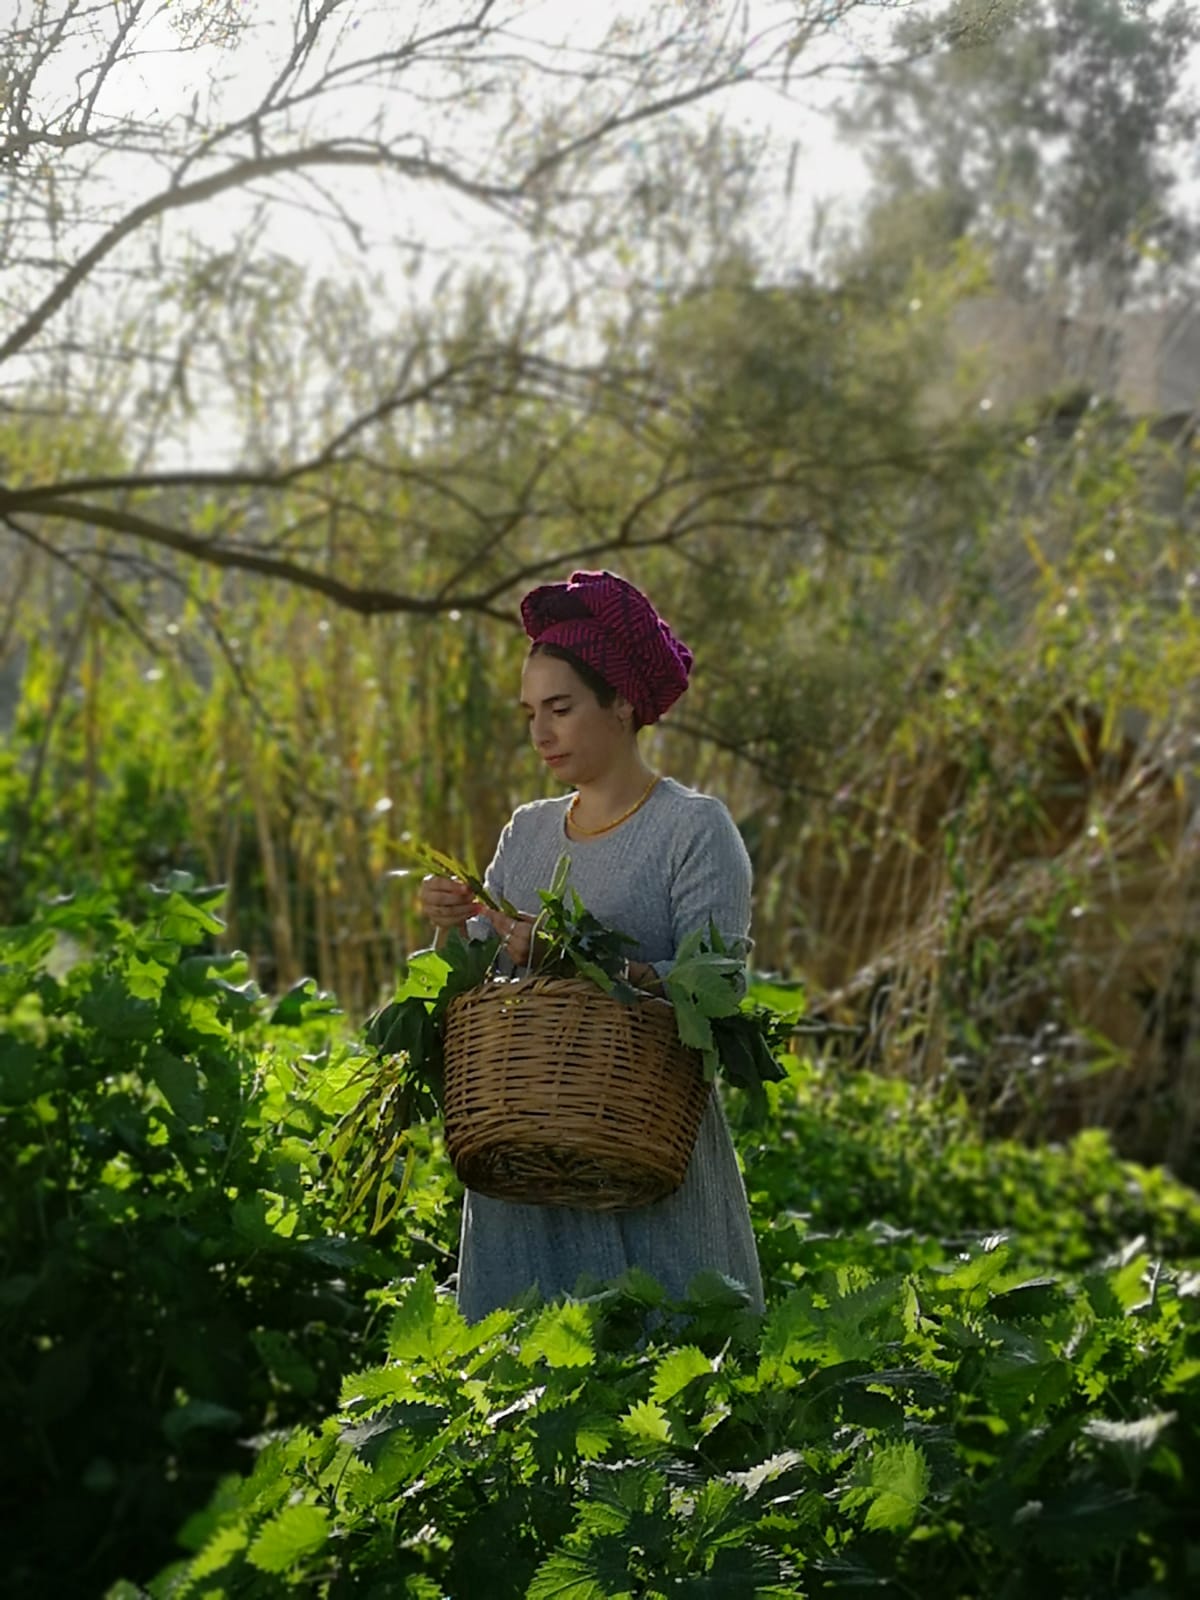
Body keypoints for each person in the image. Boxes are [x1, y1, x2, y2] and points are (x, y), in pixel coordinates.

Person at [419, 569, 764, 1321]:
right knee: (522, 1390)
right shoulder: (528, 831)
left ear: (622, 702)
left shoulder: (692, 829)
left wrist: (599, 966)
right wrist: (451, 923)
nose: (541, 733)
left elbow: (723, 989)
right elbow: (477, 979)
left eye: (561, 708)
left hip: (645, 1157)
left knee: (674, 1386)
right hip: (523, 1164)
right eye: (530, 713)